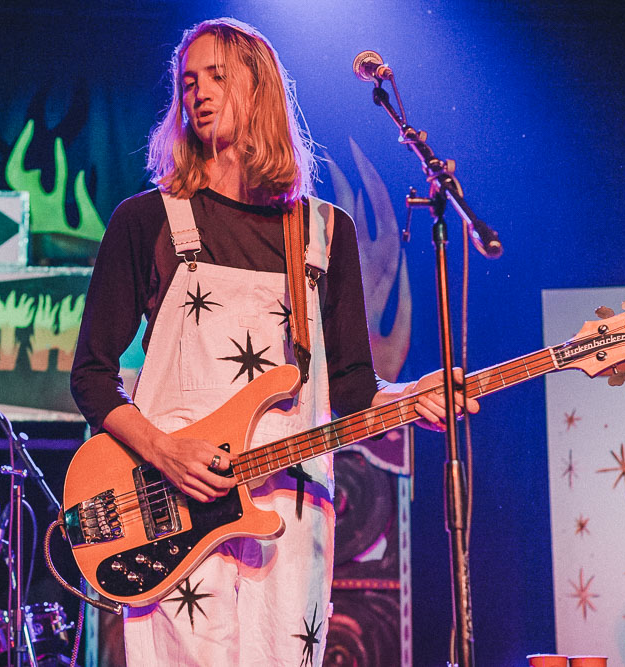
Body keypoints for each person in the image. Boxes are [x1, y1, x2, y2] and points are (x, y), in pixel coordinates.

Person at [70, 17, 477, 666]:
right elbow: (91, 376)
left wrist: (409, 396)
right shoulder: (145, 221)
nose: (197, 92)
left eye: (217, 76)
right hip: (174, 511)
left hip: (292, 516)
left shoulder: (322, 232)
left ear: (258, 90)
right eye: (186, 81)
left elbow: (350, 393)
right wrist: (164, 450)